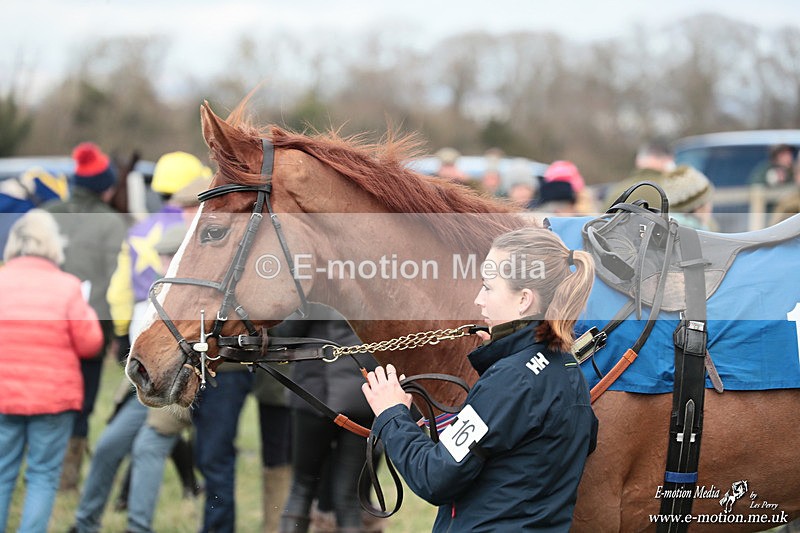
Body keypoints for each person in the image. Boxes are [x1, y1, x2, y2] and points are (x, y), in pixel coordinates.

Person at [361, 226, 599, 532]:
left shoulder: (512, 379)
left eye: (488, 288)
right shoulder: (566, 366)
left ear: (524, 300)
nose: (478, 299)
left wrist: (392, 413)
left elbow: (434, 477)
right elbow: (543, 443)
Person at [69, 223, 194, 533]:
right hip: (145, 389)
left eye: (169, 256)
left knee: (147, 450)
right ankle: (84, 524)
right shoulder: (157, 294)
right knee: (108, 446)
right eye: (162, 256)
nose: (163, 263)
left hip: (179, 388)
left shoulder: (193, 298)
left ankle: (138, 528)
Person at [0, 210, 104, 533]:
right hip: (53, 399)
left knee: (2, 473)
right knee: (43, 475)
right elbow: (90, 343)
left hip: (4, 397)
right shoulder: (68, 287)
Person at [42, 142, 129, 491]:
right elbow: (116, 278)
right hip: (91, 325)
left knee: (46, 396)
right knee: (81, 400)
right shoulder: (110, 223)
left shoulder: (47, 213)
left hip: (44, 324)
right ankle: (66, 477)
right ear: (103, 187)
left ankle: (42, 466)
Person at [279, 304, 380, 533]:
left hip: (315, 393)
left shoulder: (318, 283)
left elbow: (285, 332)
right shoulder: (375, 280)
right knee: (349, 497)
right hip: (363, 393)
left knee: (301, 487)